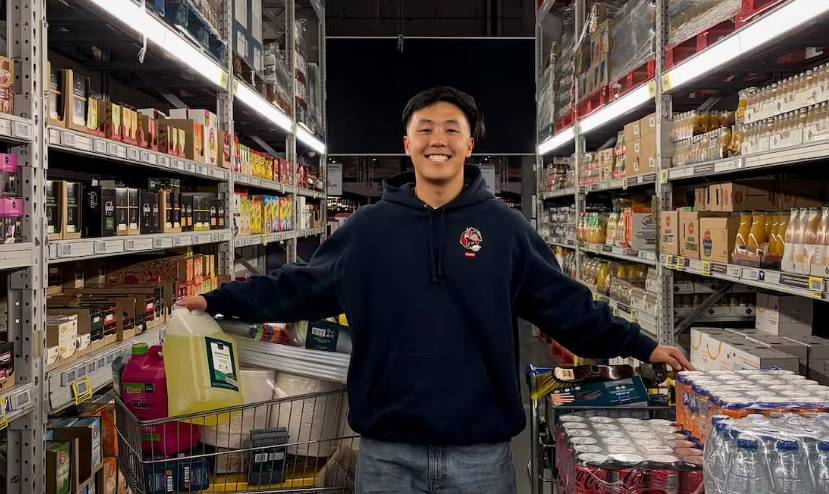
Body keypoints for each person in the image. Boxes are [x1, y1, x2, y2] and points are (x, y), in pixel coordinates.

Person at [178, 86, 693, 493]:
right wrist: (219, 300)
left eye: (452, 129)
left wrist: (641, 344)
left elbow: (565, 306)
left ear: (469, 145)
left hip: (480, 456)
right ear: (407, 144)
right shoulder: (367, 230)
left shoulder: (505, 229)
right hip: (386, 454)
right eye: (424, 129)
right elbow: (300, 286)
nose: (437, 139)